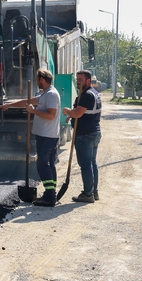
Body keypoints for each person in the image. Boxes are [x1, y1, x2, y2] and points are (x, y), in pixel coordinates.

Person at [2, 68, 61, 206]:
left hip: (47, 135)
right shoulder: (45, 94)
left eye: (37, 79)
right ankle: (51, 193)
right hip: (46, 135)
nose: (36, 82)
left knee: (43, 165)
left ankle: (50, 196)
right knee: (49, 164)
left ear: (42, 79)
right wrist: (9, 105)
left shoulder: (51, 94)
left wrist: (33, 111)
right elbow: (27, 101)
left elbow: (51, 115)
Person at [62, 70, 102, 204]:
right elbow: (85, 112)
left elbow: (78, 114)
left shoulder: (86, 95)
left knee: (85, 165)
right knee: (92, 163)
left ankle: (87, 194)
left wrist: (68, 111)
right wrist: (71, 115)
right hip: (94, 132)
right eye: (77, 79)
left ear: (88, 81)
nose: (78, 81)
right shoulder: (94, 93)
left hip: (85, 135)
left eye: (80, 79)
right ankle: (93, 191)